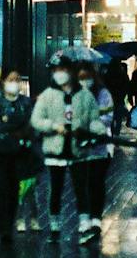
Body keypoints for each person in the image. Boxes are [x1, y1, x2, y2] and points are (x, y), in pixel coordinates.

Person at [31, 58, 103, 239]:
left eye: (63, 69)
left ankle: (84, 224)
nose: (60, 73)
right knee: (55, 188)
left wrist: (96, 129)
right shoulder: (48, 95)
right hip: (55, 150)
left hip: (78, 149)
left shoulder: (85, 95)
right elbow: (36, 120)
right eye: (56, 70)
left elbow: (94, 118)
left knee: (81, 187)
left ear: (71, 71)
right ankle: (55, 225)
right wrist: (54, 126)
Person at [0, 70, 37, 245]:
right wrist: (9, 130)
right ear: (3, 81)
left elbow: (30, 123)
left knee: (15, 190)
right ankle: (2, 228)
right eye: (11, 79)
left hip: (19, 152)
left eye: (17, 79)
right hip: (0, 152)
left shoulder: (25, 102)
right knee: (0, 190)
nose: (15, 82)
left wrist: (21, 133)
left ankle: (10, 224)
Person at [71, 61, 112, 243]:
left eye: (87, 77)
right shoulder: (71, 94)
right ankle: (83, 219)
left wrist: (91, 125)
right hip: (78, 147)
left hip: (98, 147)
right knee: (80, 184)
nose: (84, 81)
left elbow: (107, 117)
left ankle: (96, 219)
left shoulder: (103, 94)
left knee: (96, 183)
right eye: (80, 77)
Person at [104, 54, 131, 138]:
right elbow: (127, 86)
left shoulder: (107, 75)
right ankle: (116, 134)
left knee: (111, 117)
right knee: (118, 118)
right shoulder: (123, 75)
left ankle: (111, 132)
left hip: (110, 99)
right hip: (119, 98)